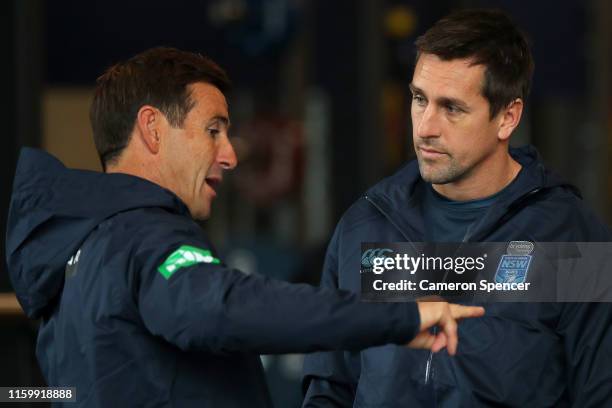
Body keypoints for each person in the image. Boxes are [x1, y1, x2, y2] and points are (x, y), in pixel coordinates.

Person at [4, 47, 484, 407]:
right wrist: (402, 317)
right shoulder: (143, 238)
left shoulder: (80, 253)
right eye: (214, 129)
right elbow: (222, 308)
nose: (230, 154)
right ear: (151, 129)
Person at [302, 9, 612, 408]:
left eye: (452, 108)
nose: (426, 127)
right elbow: (329, 387)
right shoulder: (367, 227)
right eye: (419, 99)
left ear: (507, 117)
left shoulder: (570, 239)